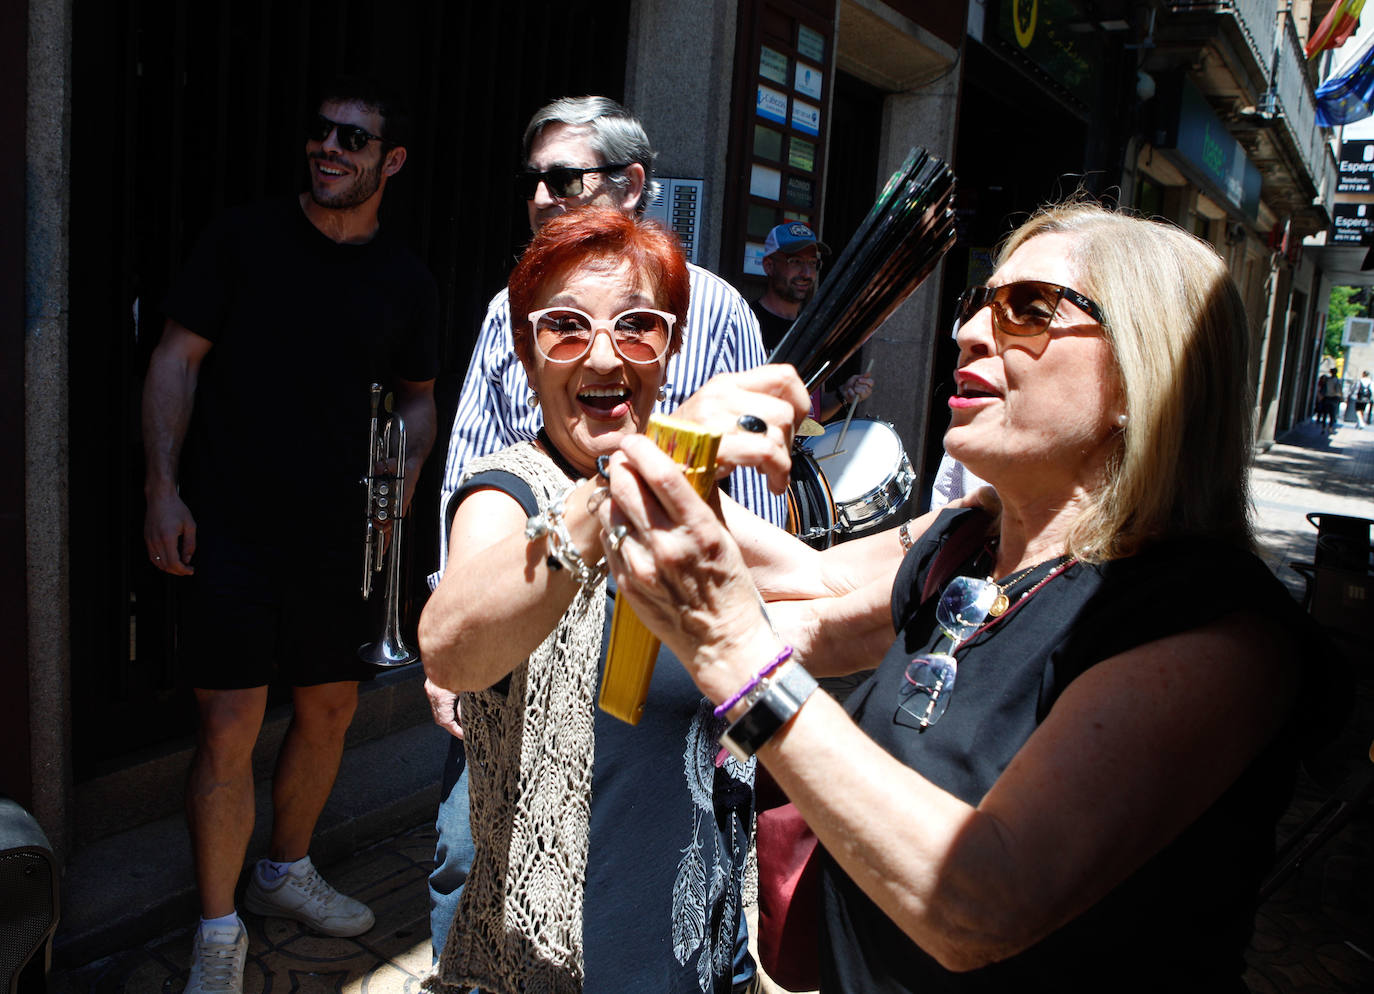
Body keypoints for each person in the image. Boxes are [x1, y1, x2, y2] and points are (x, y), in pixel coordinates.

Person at [594, 202, 1323, 992]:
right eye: (981, 301)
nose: (970, 331)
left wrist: (739, 660)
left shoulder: (1213, 634)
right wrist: (667, 461)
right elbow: (819, 603)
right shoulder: (970, 539)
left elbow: (981, 903)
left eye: (1029, 310)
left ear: (1150, 369)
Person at [424, 95, 787, 965]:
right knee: (474, 859)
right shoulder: (509, 324)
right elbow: (476, 480)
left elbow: (771, 552)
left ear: (632, 184)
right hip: (525, 642)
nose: (602, 354)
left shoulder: (720, 310)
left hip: (667, 711)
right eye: (534, 181)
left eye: (565, 177)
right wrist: (464, 600)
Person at [142, 78, 438, 994]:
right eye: (320, 132)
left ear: (389, 161)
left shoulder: (406, 278)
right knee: (228, 725)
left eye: (353, 138)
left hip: (338, 541)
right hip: (228, 526)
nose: (330, 149)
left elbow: (421, 404)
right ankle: (219, 927)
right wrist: (161, 488)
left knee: (329, 712)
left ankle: (285, 870)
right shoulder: (243, 239)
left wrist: (400, 498)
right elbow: (174, 361)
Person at [751, 221, 872, 422]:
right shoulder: (748, 323)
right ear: (769, 266)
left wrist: (844, 394)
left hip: (802, 449)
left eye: (812, 263)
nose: (806, 273)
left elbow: (814, 410)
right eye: (795, 261)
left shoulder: (813, 329)